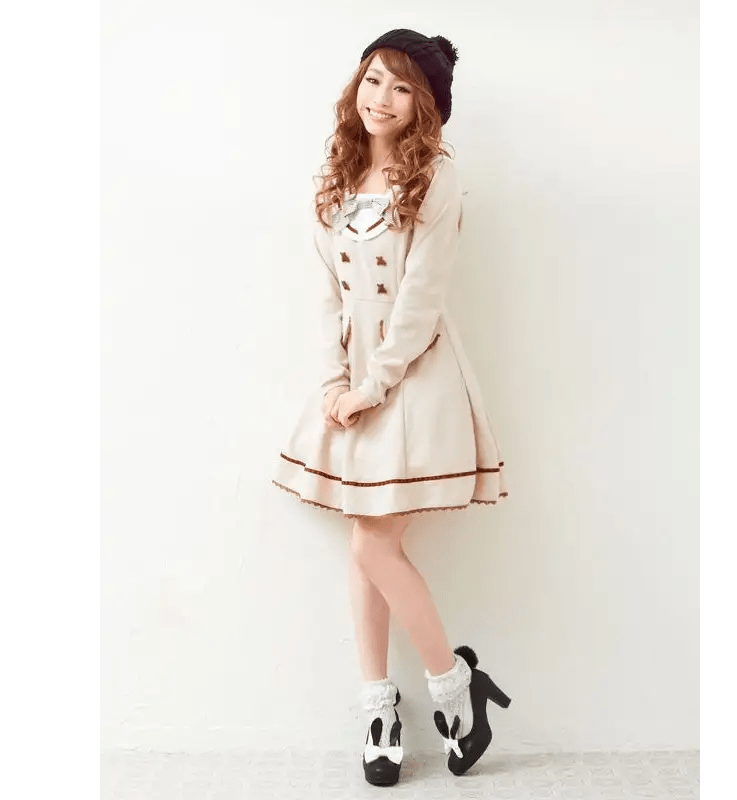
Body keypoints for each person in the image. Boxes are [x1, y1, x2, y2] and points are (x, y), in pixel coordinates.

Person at [272, 29, 511, 785]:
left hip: (414, 377)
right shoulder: (336, 174)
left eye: (402, 87)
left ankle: (452, 687)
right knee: (363, 541)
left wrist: (373, 385)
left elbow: (421, 300)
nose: (381, 97)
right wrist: (332, 383)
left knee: (374, 544)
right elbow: (326, 297)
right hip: (350, 382)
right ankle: (381, 707)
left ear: (425, 105)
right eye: (374, 78)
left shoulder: (435, 178)